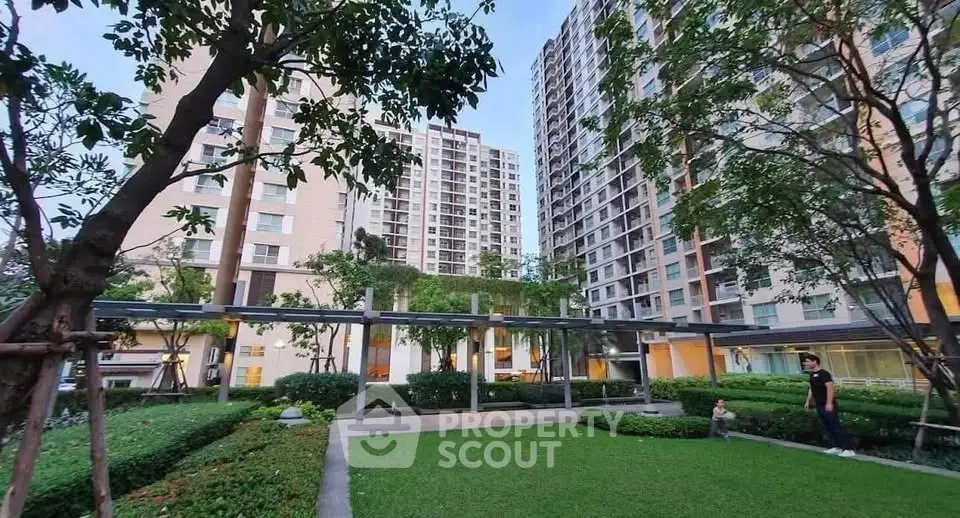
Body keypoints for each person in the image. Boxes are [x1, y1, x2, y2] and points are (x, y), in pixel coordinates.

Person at [803, 354, 855, 457]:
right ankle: (837, 447)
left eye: (808, 361)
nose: (806, 364)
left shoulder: (824, 374)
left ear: (815, 362)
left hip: (827, 404)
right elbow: (811, 388)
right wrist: (808, 401)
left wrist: (829, 403)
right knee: (828, 426)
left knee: (835, 426)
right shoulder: (812, 375)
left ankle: (848, 449)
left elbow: (830, 388)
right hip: (819, 404)